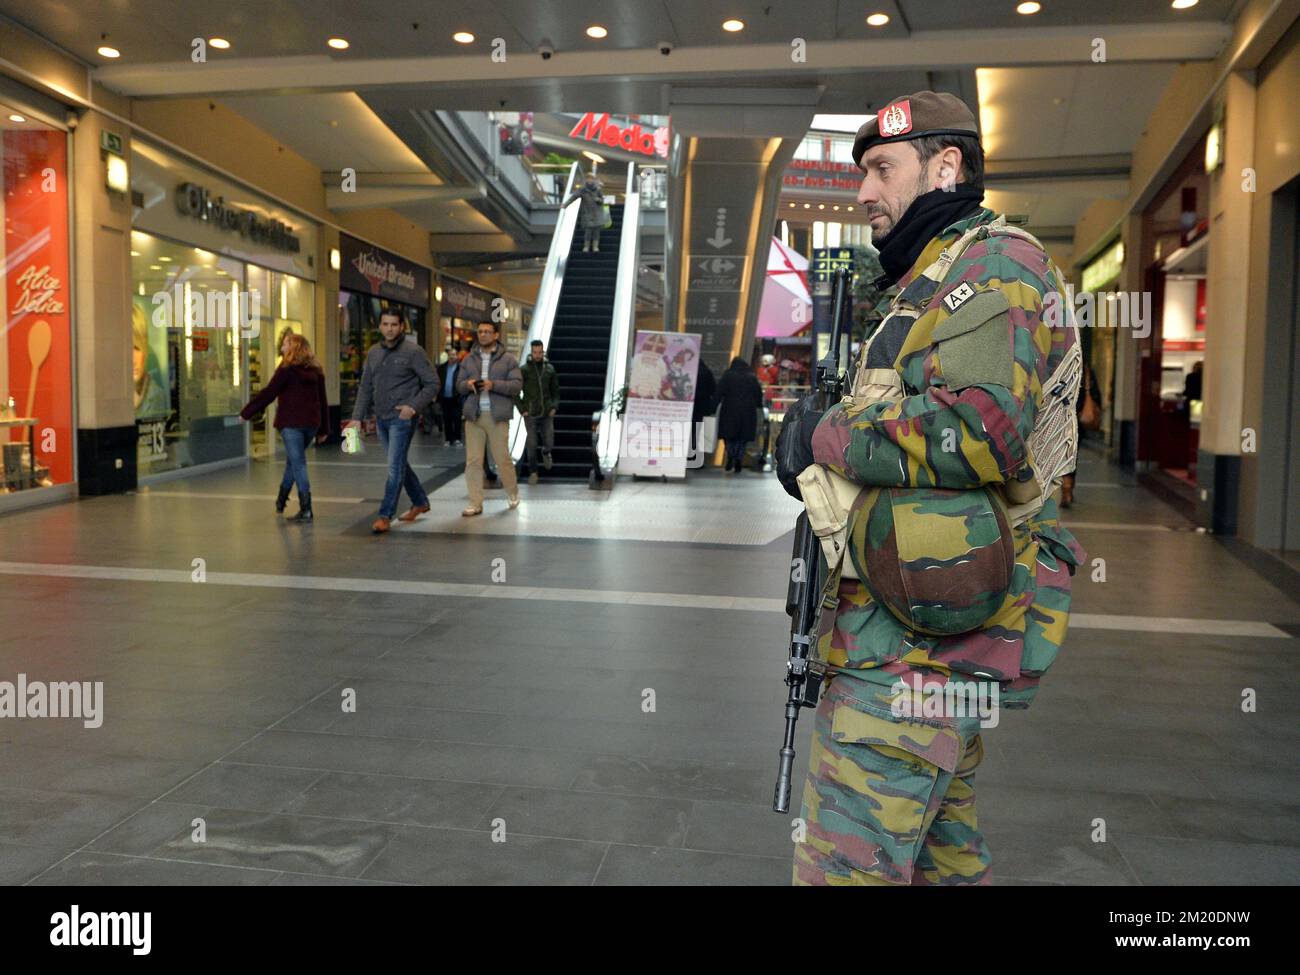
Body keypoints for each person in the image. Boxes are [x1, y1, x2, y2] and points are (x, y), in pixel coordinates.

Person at [775, 90, 1086, 886]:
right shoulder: (936, 273)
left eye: (882, 168)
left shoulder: (992, 264)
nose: (865, 192)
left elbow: (983, 425)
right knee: (943, 859)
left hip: (914, 652)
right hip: (916, 631)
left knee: (843, 868)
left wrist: (822, 436)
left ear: (946, 166)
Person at [344, 308, 439, 534]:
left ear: (401, 327)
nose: (389, 329)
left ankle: (385, 515)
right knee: (399, 464)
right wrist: (357, 417)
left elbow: (433, 383)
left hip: (402, 419)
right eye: (385, 324)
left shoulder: (414, 352)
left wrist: (412, 407)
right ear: (380, 326)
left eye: (394, 325)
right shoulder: (374, 352)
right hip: (381, 418)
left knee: (394, 468)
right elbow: (366, 387)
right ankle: (420, 501)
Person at [239, 332, 328, 522]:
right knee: (293, 463)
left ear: (294, 347)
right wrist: (323, 430)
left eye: (285, 345)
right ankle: (281, 500)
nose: (282, 349)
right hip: (311, 425)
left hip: (291, 425)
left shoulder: (286, 370)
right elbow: (323, 400)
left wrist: (246, 412)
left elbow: (268, 393)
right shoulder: (316, 370)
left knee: (298, 464)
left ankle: (306, 509)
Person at [455, 320, 523, 516]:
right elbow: (458, 385)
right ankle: (475, 503)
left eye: (487, 332)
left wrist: (494, 385)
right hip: (473, 416)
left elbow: (517, 385)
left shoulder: (508, 359)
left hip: (497, 416)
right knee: (473, 461)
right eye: (480, 331)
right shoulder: (468, 359)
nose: (483, 335)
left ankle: (512, 493)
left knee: (502, 458)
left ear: (495, 335)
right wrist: (468, 385)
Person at [518, 339, 559, 484]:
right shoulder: (524, 370)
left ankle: (546, 452)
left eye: (539, 352)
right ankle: (533, 472)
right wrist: (522, 409)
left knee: (549, 441)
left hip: (547, 412)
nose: (537, 355)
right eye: (534, 352)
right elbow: (515, 392)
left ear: (543, 352)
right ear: (531, 352)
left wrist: (554, 406)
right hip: (530, 413)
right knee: (532, 443)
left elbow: (555, 390)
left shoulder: (550, 369)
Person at [715, 356, 764, 473]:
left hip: (729, 410)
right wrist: (759, 405)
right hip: (748, 411)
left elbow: (719, 392)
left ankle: (731, 455)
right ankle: (739, 457)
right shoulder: (751, 377)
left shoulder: (728, 375)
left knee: (729, 436)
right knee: (742, 438)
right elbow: (758, 394)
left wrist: (712, 407)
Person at [563, 172, 606, 252]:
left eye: (591, 178)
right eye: (588, 178)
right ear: (586, 179)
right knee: (588, 231)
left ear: (594, 180)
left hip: (597, 213)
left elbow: (602, 200)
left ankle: (595, 246)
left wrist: (598, 200)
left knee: (596, 231)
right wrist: (565, 204)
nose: (590, 180)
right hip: (587, 213)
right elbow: (574, 197)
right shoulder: (582, 190)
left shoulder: (598, 189)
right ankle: (586, 246)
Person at [437, 350, 464, 447]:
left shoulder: (461, 368)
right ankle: (448, 439)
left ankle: (457, 439)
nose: (452, 357)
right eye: (450, 355)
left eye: (454, 355)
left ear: (457, 356)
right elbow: (438, 381)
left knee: (457, 419)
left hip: (456, 398)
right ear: (448, 356)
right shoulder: (441, 368)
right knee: (446, 419)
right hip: (445, 397)